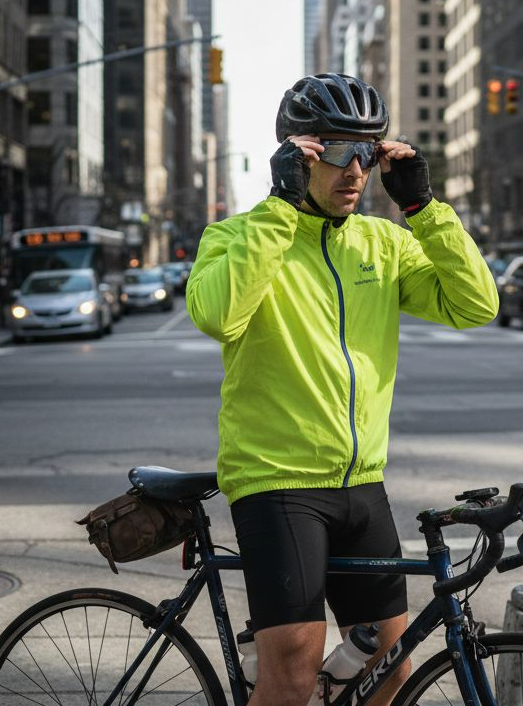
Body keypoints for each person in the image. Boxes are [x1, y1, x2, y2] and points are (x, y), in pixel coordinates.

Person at [186, 73, 498, 706]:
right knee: (294, 672)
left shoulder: (383, 243)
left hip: (362, 482)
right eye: (338, 151)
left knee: (390, 666)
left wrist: (424, 209)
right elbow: (218, 316)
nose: (356, 170)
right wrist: (280, 208)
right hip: (278, 481)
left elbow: (475, 305)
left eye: (369, 153)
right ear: (297, 156)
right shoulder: (236, 237)